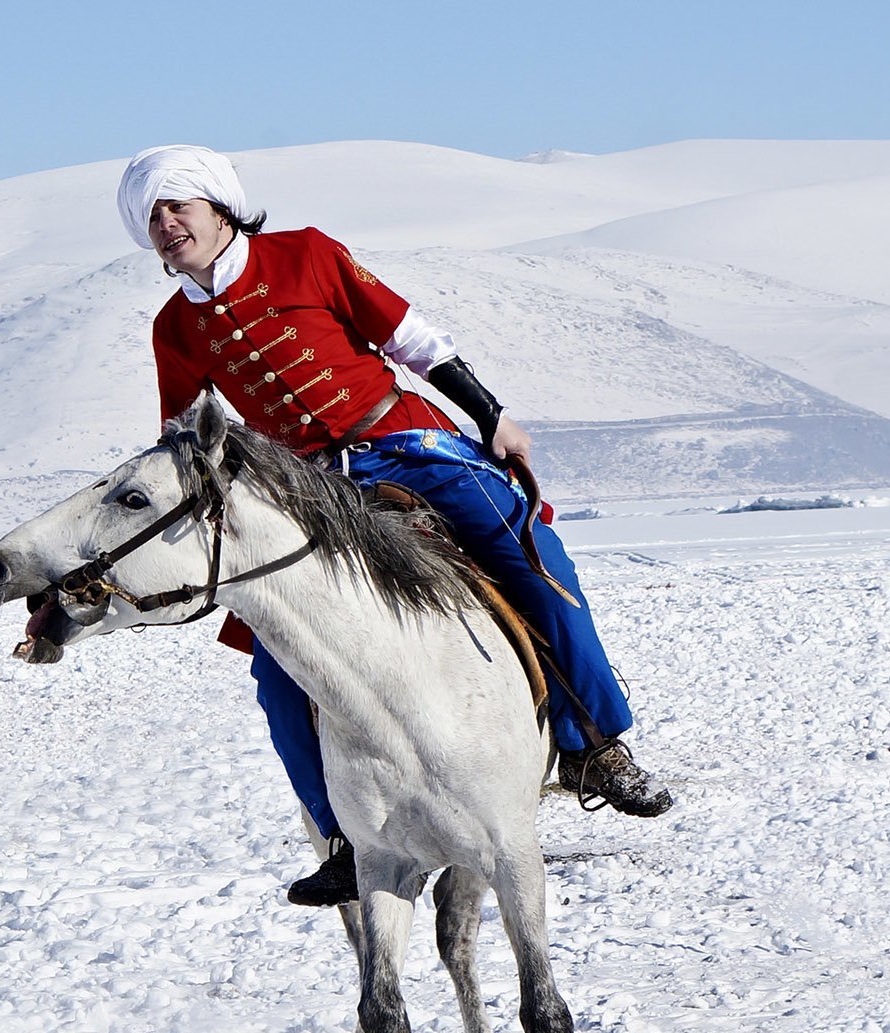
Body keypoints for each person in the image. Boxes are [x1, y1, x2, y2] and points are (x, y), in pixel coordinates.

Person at [117, 145, 671, 906]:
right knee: (275, 664)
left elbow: (413, 339)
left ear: (219, 207)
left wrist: (491, 416)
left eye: (177, 205)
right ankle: (343, 840)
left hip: (402, 443)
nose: (165, 223)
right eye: (151, 216)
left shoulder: (306, 254)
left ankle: (592, 746)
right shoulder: (173, 327)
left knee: (536, 562)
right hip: (307, 490)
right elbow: (187, 434)